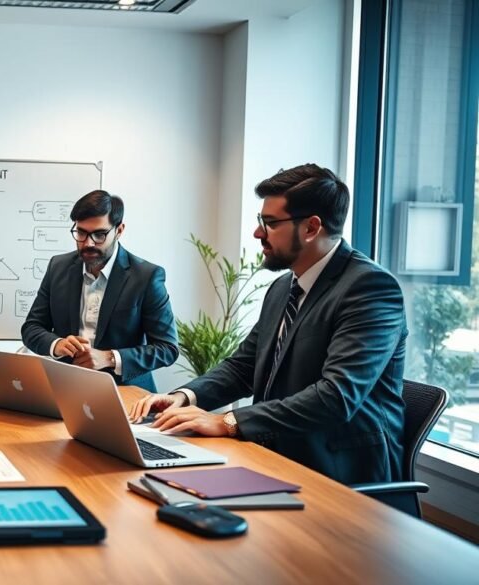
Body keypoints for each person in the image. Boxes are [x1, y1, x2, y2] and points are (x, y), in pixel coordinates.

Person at [129, 164, 407, 485]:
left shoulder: (370, 288)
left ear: (311, 228)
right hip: (274, 453)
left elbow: (336, 396)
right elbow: (243, 367)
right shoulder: (282, 288)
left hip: (339, 473)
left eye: (270, 223)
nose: (258, 233)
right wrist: (185, 397)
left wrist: (228, 422)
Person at [21, 190, 179, 390]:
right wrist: (57, 344)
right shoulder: (58, 267)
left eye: (99, 234)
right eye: (80, 232)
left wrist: (110, 358)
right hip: (65, 388)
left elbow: (167, 349)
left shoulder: (147, 276)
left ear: (119, 230)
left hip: (126, 393)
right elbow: (32, 328)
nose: (88, 243)